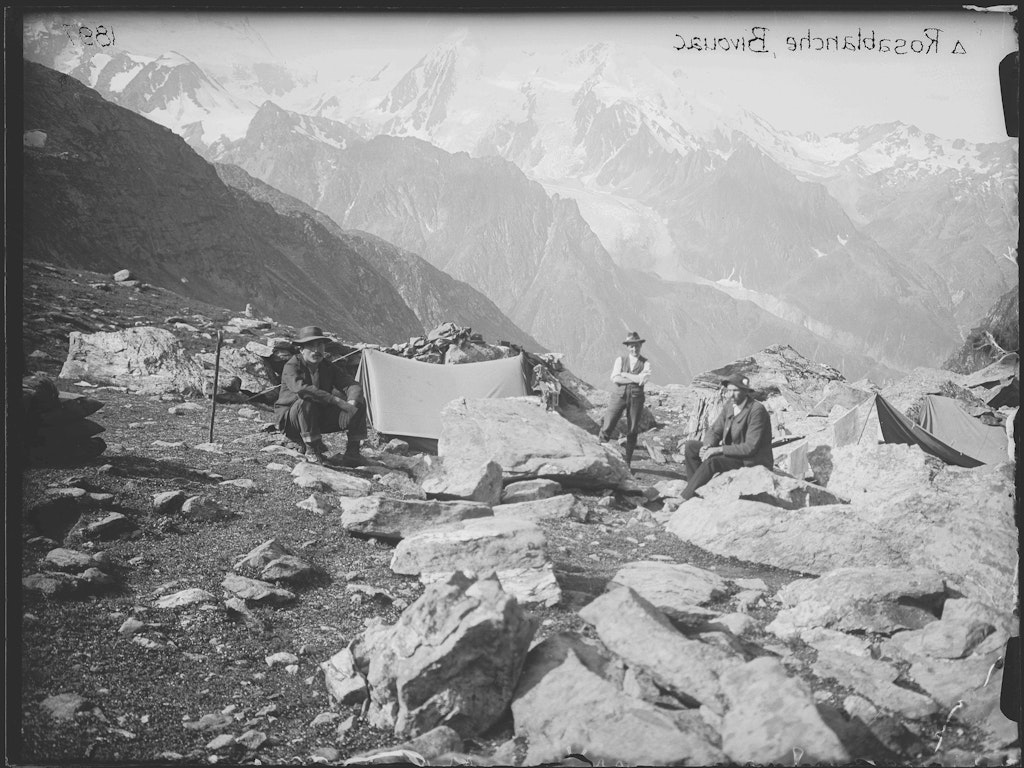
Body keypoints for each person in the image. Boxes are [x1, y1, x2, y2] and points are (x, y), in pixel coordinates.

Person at [274, 326, 368, 467]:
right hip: (292, 420)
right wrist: (336, 401)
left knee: (359, 403)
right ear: (301, 349)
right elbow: (302, 389)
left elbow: (352, 384)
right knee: (306, 401)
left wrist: (351, 405)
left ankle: (352, 453)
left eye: (320, 345)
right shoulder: (292, 365)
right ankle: (312, 449)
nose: (316, 351)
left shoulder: (327, 366)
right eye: (311, 346)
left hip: (317, 417)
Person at [680, 373, 773, 500]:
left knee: (713, 461)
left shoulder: (756, 410)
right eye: (729, 391)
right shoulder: (730, 406)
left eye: (735, 391)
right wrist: (707, 446)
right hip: (732, 453)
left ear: (745, 392)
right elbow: (714, 431)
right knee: (691, 447)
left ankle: (685, 498)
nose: (731, 394)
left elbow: (750, 447)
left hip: (750, 460)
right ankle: (694, 488)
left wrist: (718, 450)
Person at [598, 331, 651, 466]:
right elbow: (615, 378)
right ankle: (599, 456)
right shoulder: (620, 360)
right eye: (631, 346)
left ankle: (627, 462)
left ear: (640, 345)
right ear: (628, 347)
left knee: (633, 428)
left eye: (636, 345)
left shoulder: (646, 363)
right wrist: (634, 378)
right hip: (619, 396)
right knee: (608, 422)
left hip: (636, 398)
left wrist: (625, 374)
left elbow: (642, 381)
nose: (634, 349)